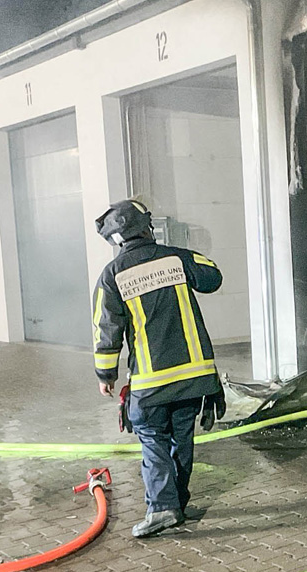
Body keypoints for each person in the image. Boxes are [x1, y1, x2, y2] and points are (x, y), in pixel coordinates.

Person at [92, 200, 226, 539]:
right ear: (148, 228)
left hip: (151, 381)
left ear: (116, 239)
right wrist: (180, 254)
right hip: (193, 376)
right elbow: (212, 277)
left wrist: (106, 375)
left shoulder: (112, 275)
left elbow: (106, 329)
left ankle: (163, 508)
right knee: (182, 439)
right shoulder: (176, 258)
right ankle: (176, 504)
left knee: (153, 440)